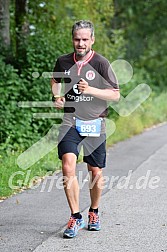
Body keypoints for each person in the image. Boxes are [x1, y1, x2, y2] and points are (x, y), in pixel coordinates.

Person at [51, 20, 120, 238]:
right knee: (68, 164)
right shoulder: (63, 61)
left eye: (84, 39)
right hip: (71, 121)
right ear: (72, 39)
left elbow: (115, 94)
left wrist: (91, 89)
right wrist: (57, 96)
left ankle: (94, 211)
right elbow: (55, 80)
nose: (80, 44)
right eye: (76, 39)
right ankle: (75, 216)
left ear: (92, 40)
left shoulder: (101, 63)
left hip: (95, 122)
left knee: (95, 173)